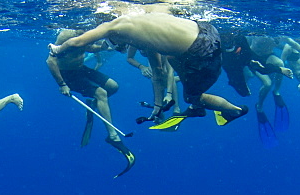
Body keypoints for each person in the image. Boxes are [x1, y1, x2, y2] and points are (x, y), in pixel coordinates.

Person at [49, 12, 247, 131]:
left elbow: (78, 41)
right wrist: (158, 105)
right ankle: (192, 96)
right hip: (207, 30)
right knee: (171, 58)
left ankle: (234, 110)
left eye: (115, 44)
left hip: (199, 52)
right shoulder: (140, 18)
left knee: (193, 97)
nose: (120, 47)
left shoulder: (111, 27)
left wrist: (58, 49)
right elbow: (158, 71)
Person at [46, 29, 123, 145]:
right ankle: (112, 135)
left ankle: (93, 104)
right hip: (67, 74)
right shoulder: (66, 35)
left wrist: (104, 47)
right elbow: (50, 61)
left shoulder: (88, 30)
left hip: (81, 69)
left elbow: (89, 48)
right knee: (101, 93)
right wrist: (62, 84)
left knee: (113, 87)